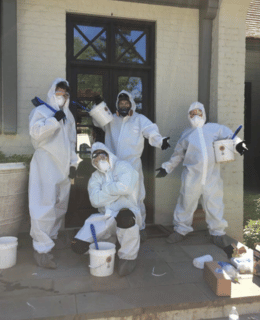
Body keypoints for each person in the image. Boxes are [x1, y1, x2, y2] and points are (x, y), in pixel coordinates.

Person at [156, 101, 247, 248]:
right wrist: (167, 168)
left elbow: (230, 135)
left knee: (215, 203)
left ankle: (217, 233)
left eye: (198, 112)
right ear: (189, 116)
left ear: (203, 113)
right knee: (186, 202)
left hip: (212, 176)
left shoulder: (214, 129)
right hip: (192, 176)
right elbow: (178, 155)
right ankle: (180, 230)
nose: (196, 116)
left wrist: (238, 144)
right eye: (192, 113)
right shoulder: (186, 134)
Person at [89, 90, 170, 237]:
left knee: (137, 196)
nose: (124, 105)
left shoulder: (139, 120)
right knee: (113, 196)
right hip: (113, 166)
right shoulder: (111, 119)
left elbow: (150, 130)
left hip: (132, 165)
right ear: (117, 104)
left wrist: (160, 141)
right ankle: (114, 229)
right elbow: (97, 121)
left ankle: (140, 227)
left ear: (131, 104)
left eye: (126, 103)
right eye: (121, 103)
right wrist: (99, 105)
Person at [71, 142, 141, 276]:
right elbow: (95, 201)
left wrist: (106, 189)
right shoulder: (96, 177)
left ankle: (128, 258)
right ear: (94, 163)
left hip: (126, 213)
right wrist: (116, 189)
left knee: (125, 218)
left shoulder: (123, 167)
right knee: (77, 246)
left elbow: (126, 188)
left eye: (102, 156)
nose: (100, 161)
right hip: (105, 217)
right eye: (96, 160)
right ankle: (110, 242)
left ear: (109, 155)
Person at [29, 78, 78, 269]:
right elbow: (36, 134)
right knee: (43, 205)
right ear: (52, 92)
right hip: (46, 163)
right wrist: (53, 120)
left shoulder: (69, 116)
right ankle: (41, 250)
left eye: (65, 93)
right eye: (59, 92)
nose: (62, 96)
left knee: (59, 206)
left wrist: (74, 164)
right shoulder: (40, 111)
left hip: (63, 166)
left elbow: (71, 142)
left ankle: (51, 239)